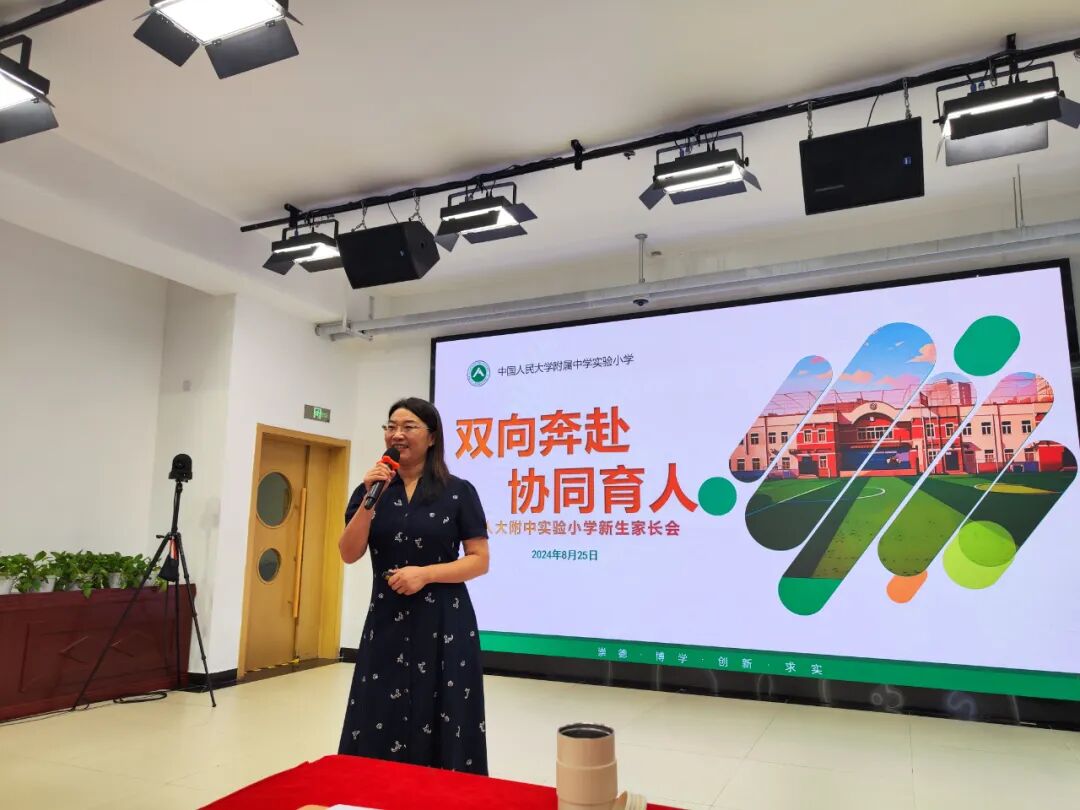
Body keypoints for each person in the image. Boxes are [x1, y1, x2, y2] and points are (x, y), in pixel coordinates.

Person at [337, 397, 491, 775]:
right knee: (379, 708)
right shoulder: (370, 490)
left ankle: (445, 792)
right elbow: (348, 553)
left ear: (432, 437)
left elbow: (479, 560)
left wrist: (425, 574)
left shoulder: (458, 491)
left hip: (444, 621)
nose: (397, 434)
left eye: (408, 427)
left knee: (444, 709)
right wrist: (369, 500)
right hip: (387, 618)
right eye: (391, 427)